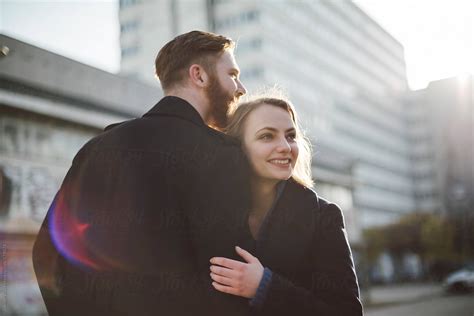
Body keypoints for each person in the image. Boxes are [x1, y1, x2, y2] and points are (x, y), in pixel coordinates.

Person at [32, 30, 253, 316]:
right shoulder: (223, 154)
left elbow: (46, 254)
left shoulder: (98, 148)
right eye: (233, 74)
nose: (241, 88)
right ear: (198, 75)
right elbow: (228, 275)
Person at [208, 96, 364, 315]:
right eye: (267, 136)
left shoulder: (323, 217)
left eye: (291, 136)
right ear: (238, 147)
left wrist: (266, 287)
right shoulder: (208, 212)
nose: (284, 147)